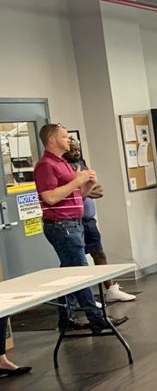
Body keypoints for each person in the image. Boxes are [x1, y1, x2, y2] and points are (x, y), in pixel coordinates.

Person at [34, 124, 120, 332]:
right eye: (64, 137)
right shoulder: (46, 165)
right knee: (80, 272)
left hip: (74, 223)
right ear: (52, 140)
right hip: (61, 226)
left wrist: (87, 183)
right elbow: (50, 197)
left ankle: (66, 318)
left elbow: (75, 195)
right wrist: (77, 181)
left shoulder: (63, 163)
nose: (69, 140)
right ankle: (96, 317)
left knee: (69, 272)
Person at [64, 140, 136, 303]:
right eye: (72, 149)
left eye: (78, 148)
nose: (76, 151)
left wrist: (83, 189)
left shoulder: (81, 165)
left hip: (88, 219)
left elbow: (98, 190)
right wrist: (82, 189)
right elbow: (71, 192)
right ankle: (81, 299)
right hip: (72, 221)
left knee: (99, 253)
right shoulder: (64, 168)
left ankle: (111, 289)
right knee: (76, 261)